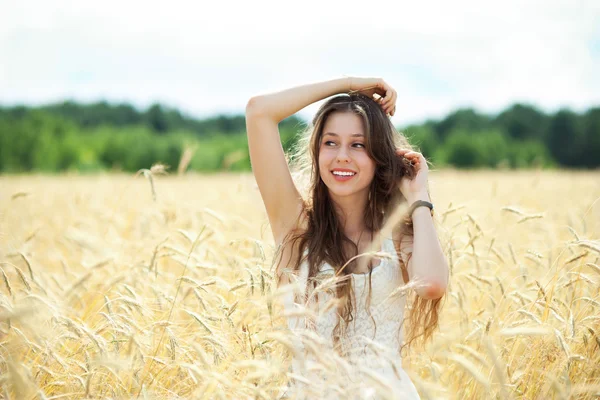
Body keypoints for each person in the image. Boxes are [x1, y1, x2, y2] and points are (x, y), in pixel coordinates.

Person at [245, 77, 449, 399]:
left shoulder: (396, 233)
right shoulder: (296, 228)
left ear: (380, 156)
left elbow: (431, 284)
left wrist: (418, 198)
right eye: (330, 142)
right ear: (317, 151)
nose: (342, 156)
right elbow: (259, 112)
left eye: (358, 144)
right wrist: (350, 85)